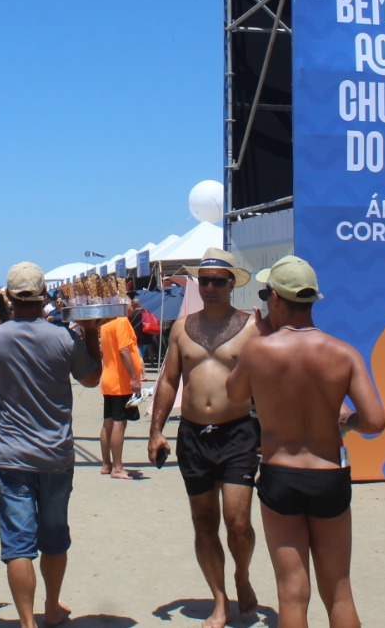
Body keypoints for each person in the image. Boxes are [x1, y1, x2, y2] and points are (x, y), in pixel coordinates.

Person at [225, 256, 385, 628]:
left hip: (280, 474)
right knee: (339, 591)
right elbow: (375, 421)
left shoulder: (259, 351)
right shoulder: (343, 352)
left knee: (292, 593)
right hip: (328, 475)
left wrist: (263, 338)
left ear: (275, 298)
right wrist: (347, 420)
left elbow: (234, 395)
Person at [0, 261, 104, 628]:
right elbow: (92, 378)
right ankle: (52, 607)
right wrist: (91, 331)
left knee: (18, 543)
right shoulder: (63, 337)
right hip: (56, 454)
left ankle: (27, 621)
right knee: (55, 537)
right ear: (45, 294)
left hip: (12, 455)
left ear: (9, 297)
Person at [148, 247, 263, 628]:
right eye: (205, 281)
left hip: (238, 433)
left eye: (218, 281)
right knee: (203, 521)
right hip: (193, 434)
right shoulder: (182, 327)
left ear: (232, 284)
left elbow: (270, 380)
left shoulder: (252, 326)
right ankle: (219, 599)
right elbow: (169, 380)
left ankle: (242, 575)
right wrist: (156, 431)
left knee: (238, 522)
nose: (210, 287)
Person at [98, 310, 143, 480]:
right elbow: (124, 350)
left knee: (108, 421)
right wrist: (134, 378)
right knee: (119, 423)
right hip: (120, 382)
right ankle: (117, 467)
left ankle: (106, 464)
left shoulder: (106, 324)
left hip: (109, 380)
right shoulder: (122, 321)